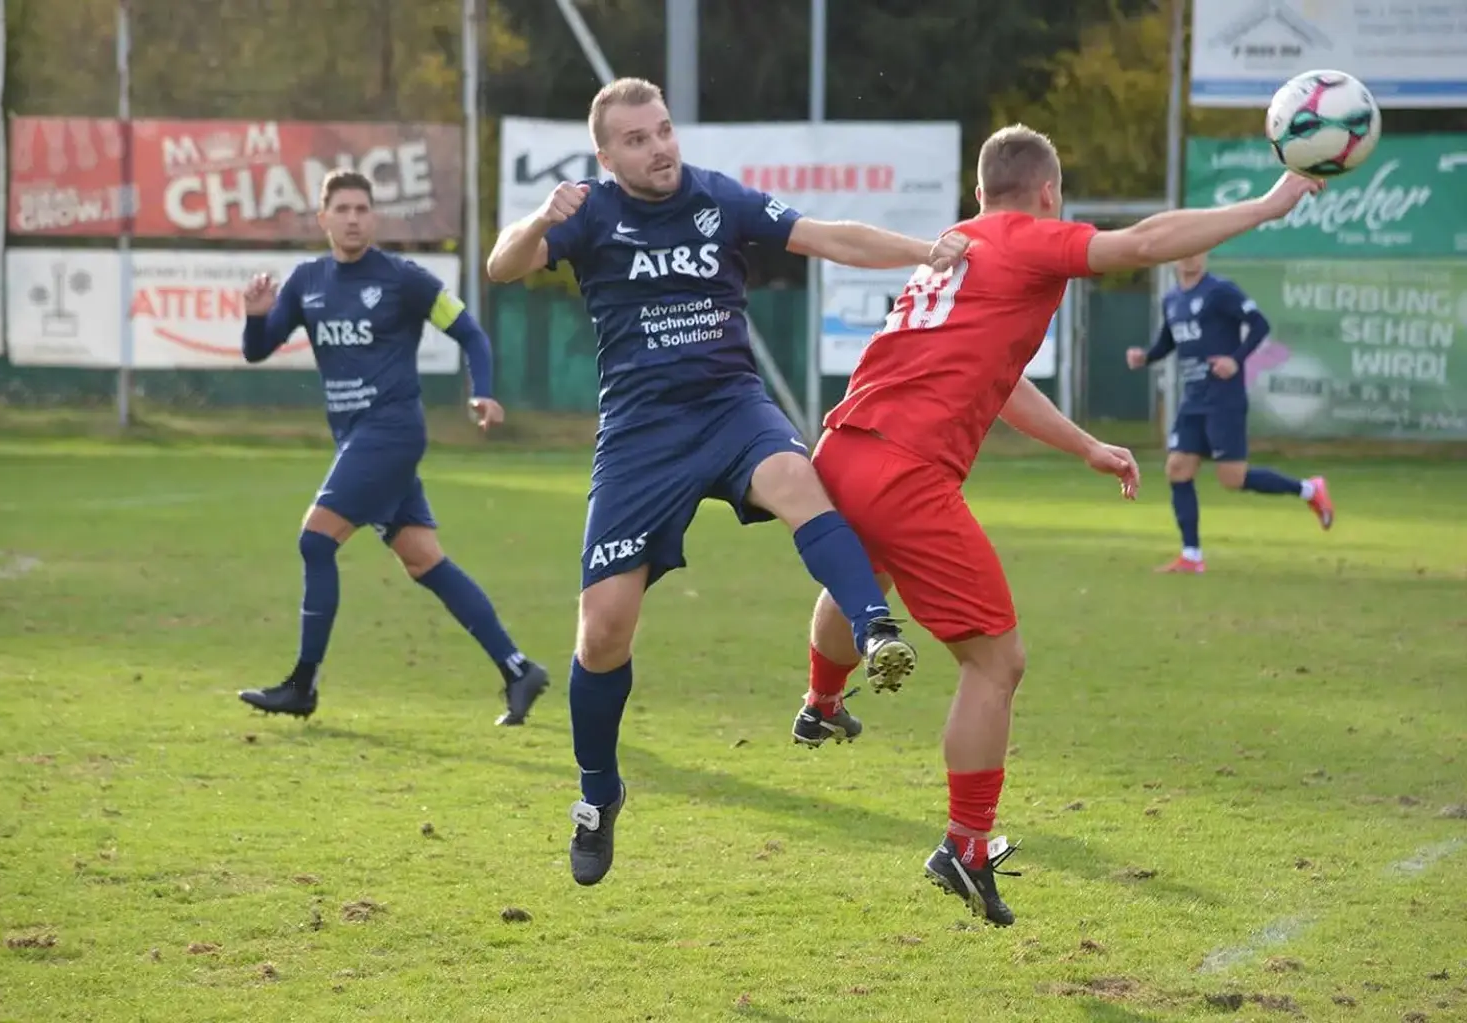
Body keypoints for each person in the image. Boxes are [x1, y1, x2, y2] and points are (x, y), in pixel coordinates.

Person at [799, 125, 1325, 926]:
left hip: (842, 449)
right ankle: (966, 844)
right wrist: (1266, 204)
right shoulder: (1026, 238)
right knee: (996, 661)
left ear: (979, 192)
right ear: (1048, 193)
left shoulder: (955, 247)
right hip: (906, 469)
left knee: (869, 573)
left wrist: (1083, 444)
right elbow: (1142, 242)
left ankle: (822, 700)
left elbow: (1000, 382)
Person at [486, 76, 970, 887]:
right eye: (637, 139)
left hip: (729, 406)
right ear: (605, 158)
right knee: (603, 633)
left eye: (663, 129)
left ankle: (874, 628)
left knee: (796, 478)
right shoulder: (591, 215)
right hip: (641, 435)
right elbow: (504, 264)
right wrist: (541, 217)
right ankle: (598, 793)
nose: (659, 147)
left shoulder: (719, 199)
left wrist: (926, 250)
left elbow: (830, 236)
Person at [236, 169, 550, 727]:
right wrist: (255, 317)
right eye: (342, 209)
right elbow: (258, 350)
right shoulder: (307, 282)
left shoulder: (404, 279)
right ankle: (518, 669)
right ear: (324, 218)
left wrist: (483, 390)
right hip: (357, 440)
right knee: (423, 559)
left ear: (374, 217)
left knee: (315, 541)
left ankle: (302, 685)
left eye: (362, 208)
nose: (353, 218)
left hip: (391, 432)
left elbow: (470, 333)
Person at [1127, 252, 1334, 573]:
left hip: (1224, 398)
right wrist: (1146, 356)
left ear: (1205, 254)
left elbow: (1260, 324)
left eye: (1198, 249)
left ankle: (1310, 489)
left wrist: (1235, 360)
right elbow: (1168, 341)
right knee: (1178, 469)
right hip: (1193, 399)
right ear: (1174, 257)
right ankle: (1191, 556)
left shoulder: (1220, 291)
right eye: (1185, 250)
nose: (1191, 256)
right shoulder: (1172, 299)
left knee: (1232, 478)